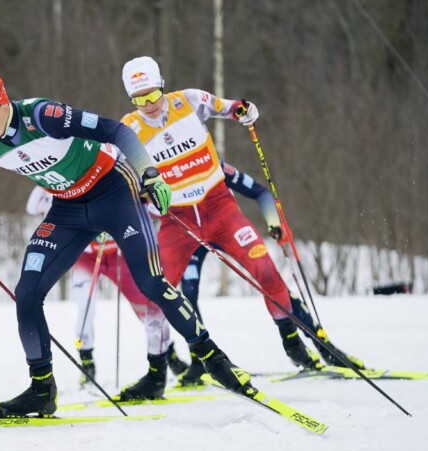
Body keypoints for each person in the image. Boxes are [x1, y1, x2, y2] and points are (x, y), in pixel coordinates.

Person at [0, 67, 251, 417]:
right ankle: (42, 389)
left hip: (113, 192)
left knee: (151, 283)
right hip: (67, 209)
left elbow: (116, 130)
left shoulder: (42, 115)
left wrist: (149, 172)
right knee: (27, 293)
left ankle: (214, 360)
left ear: (1, 99)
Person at [119, 56, 364, 388]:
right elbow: (117, 171)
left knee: (266, 271)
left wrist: (244, 110)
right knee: (159, 295)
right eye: (138, 99)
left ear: (162, 85)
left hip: (219, 210)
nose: (147, 105)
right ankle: (160, 371)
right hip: (179, 223)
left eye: (151, 95)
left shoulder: (187, 101)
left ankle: (293, 341)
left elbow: (230, 108)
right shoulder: (128, 129)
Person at [178, 163, 365, 377]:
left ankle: (324, 349)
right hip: (190, 238)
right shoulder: (159, 166)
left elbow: (261, 192)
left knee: (272, 282)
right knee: (187, 294)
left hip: (224, 230)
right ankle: (197, 361)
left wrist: (274, 223)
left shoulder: (211, 163)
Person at [25, 187, 189, 388]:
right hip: (85, 257)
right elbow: (32, 207)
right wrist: (47, 186)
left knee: (147, 306)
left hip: (117, 255)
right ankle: (87, 363)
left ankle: (169, 355)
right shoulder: (63, 182)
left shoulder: (115, 177)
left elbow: (156, 209)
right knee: (86, 305)